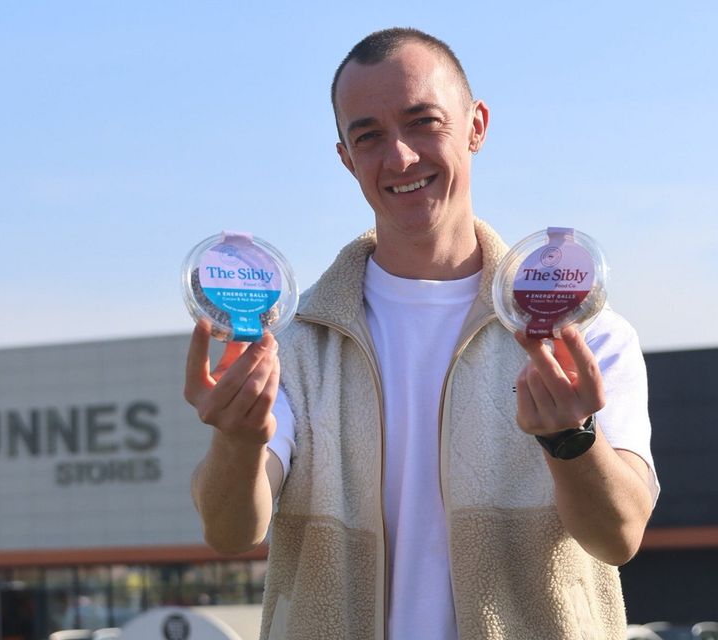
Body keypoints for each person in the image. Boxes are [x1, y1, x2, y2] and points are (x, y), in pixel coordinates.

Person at [184, 27, 658, 640]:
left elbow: (619, 536)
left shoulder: (582, 332)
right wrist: (237, 441)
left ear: (476, 126)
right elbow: (231, 532)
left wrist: (572, 440)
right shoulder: (295, 344)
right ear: (346, 158)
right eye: (369, 136)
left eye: (423, 122)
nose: (401, 157)